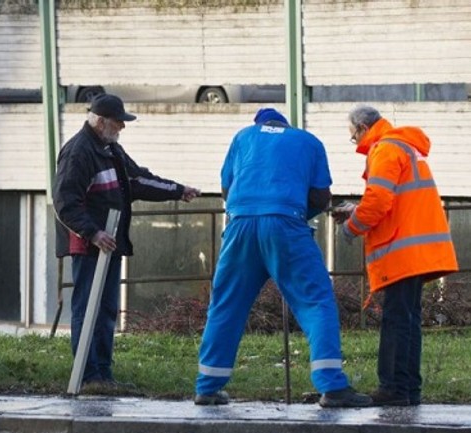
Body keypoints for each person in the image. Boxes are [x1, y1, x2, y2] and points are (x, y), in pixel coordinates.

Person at [195, 108, 372, 408]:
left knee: (226, 304)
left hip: (240, 226)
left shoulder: (243, 137)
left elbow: (227, 187)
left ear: (260, 124)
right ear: (284, 125)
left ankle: (208, 387)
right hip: (287, 225)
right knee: (316, 301)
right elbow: (319, 197)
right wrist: (295, 214)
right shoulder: (307, 141)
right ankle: (332, 386)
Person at [53, 93, 201, 388]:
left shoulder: (110, 149)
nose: (122, 127)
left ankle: (103, 374)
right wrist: (93, 233)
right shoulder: (79, 152)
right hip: (89, 245)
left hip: (110, 243)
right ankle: (88, 374)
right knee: (87, 308)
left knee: (107, 310)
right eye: (118, 122)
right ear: (100, 121)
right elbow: (65, 202)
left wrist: (177, 190)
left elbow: (136, 181)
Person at [331, 104, 458, 406]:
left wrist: (351, 226)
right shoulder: (403, 146)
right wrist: (356, 208)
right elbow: (392, 198)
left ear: (362, 128)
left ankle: (395, 389)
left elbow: (378, 201)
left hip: (402, 250)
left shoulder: (384, 149)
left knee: (397, 321)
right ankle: (407, 389)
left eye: (353, 136)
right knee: (407, 320)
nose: (355, 143)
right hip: (415, 248)